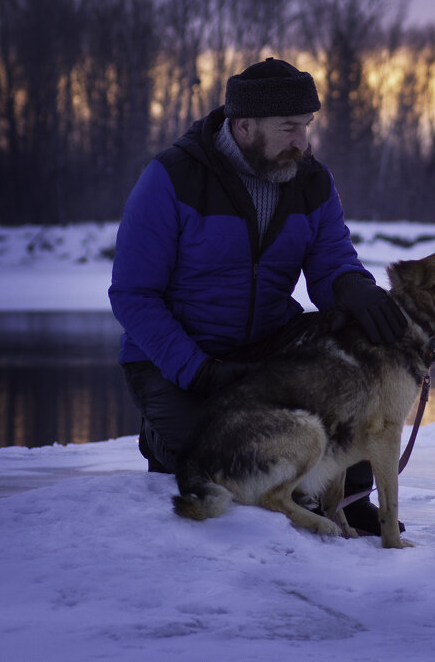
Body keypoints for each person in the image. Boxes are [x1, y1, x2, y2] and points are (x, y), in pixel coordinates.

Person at [109, 57, 407, 534]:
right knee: (220, 460)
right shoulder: (172, 178)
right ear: (243, 125)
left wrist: (354, 289)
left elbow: (332, 260)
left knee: (349, 359)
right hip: (177, 356)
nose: (301, 142)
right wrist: (200, 371)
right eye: (289, 128)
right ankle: (162, 437)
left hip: (268, 348)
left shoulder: (312, 180)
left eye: (306, 127)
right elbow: (132, 295)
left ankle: (349, 496)